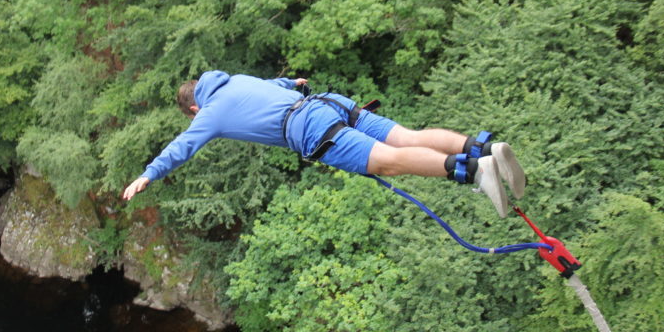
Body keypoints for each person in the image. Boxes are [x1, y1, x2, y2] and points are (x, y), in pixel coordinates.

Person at [122, 71, 526, 217]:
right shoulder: (235, 80)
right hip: (325, 103)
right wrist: (291, 83)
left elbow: (182, 147)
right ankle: (484, 148)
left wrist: (148, 175)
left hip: (310, 129)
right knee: (408, 136)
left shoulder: (208, 113)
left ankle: (474, 170)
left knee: (389, 161)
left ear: (194, 107)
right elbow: (274, 85)